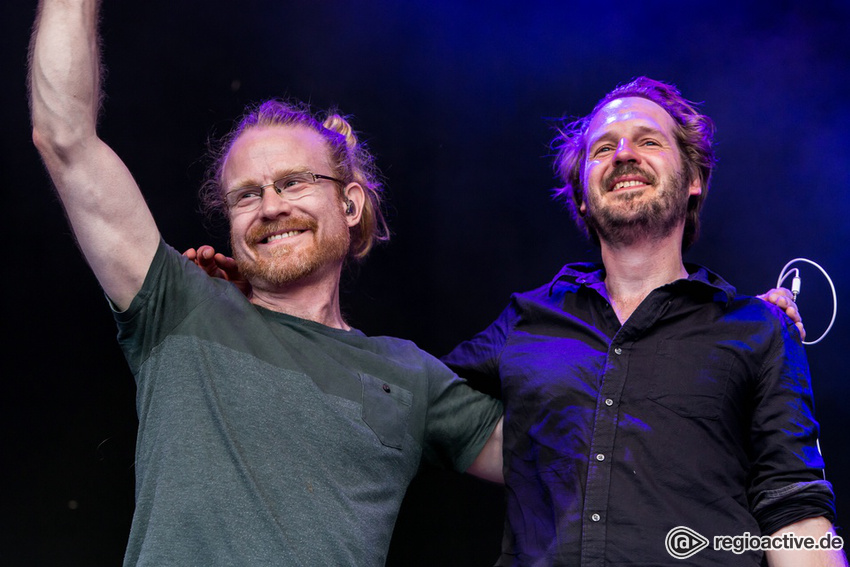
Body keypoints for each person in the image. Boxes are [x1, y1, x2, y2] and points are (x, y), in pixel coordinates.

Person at [28, 1, 503, 565]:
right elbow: (65, 139)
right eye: (246, 194)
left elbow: (569, 462)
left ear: (350, 203)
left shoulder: (410, 374)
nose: (271, 206)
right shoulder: (179, 305)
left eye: (293, 183)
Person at [442, 77, 845, 566]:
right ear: (584, 196)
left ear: (693, 178)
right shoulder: (530, 318)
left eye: (648, 141)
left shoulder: (758, 328)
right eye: (603, 147)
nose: (623, 153)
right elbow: (425, 407)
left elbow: (797, 515)